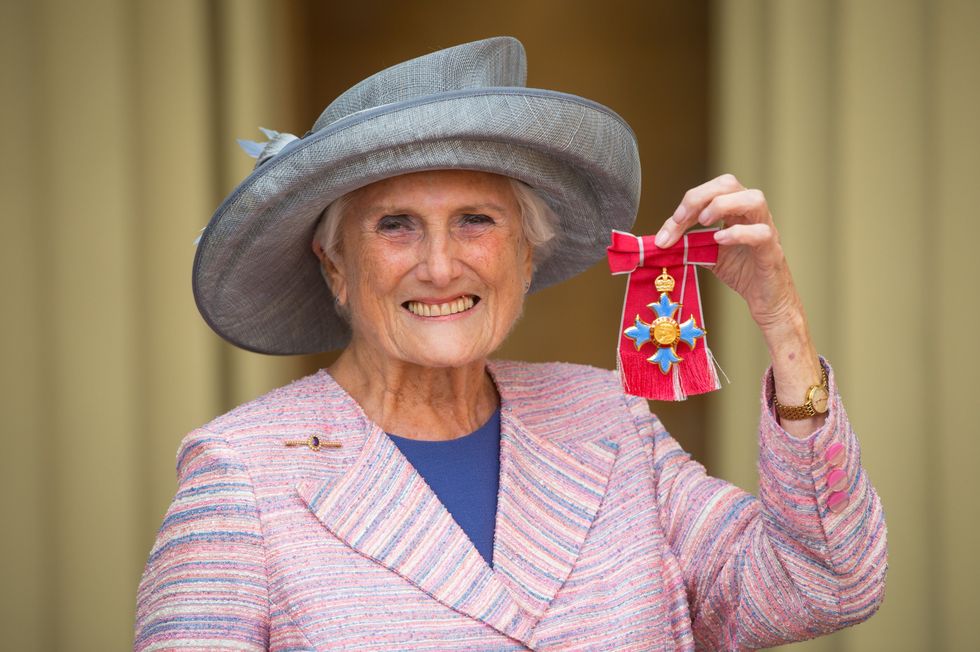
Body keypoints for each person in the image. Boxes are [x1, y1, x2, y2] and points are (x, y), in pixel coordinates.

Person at [134, 37, 886, 651]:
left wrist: (781, 322)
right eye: (395, 225)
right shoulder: (242, 471)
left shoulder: (608, 418)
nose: (439, 266)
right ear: (335, 264)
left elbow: (823, 584)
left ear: (526, 253)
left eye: (476, 220)